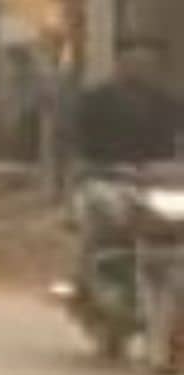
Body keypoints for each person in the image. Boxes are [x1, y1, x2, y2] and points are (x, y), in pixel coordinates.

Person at [72, 37, 183, 295]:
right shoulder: (95, 101)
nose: (142, 69)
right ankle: (85, 280)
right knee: (101, 220)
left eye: (149, 64)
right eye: (135, 62)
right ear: (120, 64)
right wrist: (92, 167)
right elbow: (79, 144)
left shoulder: (169, 104)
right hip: (107, 178)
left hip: (157, 182)